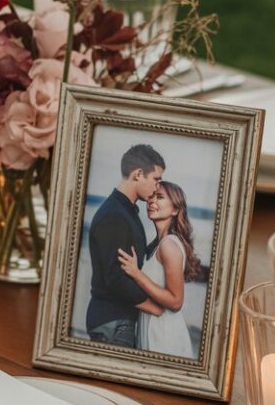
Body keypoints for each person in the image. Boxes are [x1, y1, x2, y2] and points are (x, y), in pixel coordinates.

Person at [85, 144, 166, 348]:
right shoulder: (115, 215)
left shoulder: (125, 211)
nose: (157, 187)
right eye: (156, 180)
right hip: (113, 321)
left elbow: (139, 260)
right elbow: (115, 279)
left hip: (116, 320)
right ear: (138, 174)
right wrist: (154, 308)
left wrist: (164, 232)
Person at [117, 180, 202, 358]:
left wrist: (137, 273)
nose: (151, 201)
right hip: (152, 329)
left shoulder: (168, 245)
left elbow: (176, 301)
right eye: (151, 197)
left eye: (160, 197)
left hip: (164, 335)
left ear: (175, 210)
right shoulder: (157, 245)